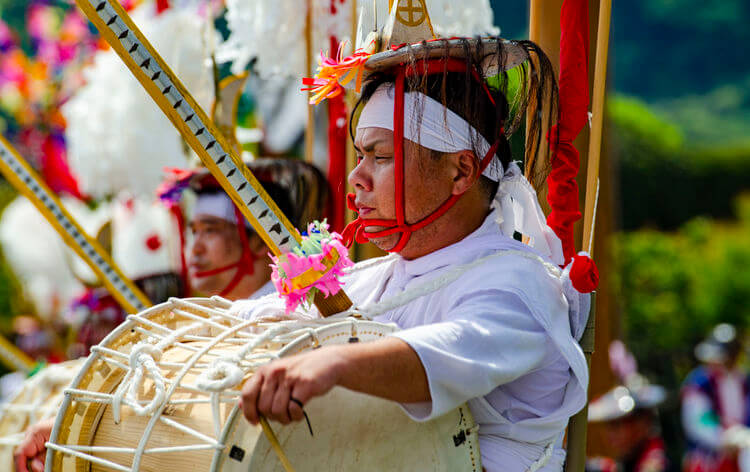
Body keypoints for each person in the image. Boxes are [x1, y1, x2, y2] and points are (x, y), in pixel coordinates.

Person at [233, 8, 592, 471]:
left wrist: (333, 364)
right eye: (359, 155)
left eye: (380, 157)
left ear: (461, 170)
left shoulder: (518, 282)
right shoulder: (372, 279)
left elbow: (452, 349)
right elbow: (251, 319)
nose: (357, 179)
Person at [13, 158, 329, 472]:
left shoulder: (301, 322)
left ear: (259, 241)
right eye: (193, 231)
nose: (195, 247)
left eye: (210, 230)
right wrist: (62, 428)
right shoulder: (199, 325)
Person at [586, 341, 669, 472]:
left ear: (642, 423)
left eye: (616, 426)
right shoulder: (633, 458)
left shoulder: (652, 464)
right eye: (609, 426)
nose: (610, 436)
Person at [682, 323, 750, 472]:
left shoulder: (744, 381)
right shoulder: (700, 383)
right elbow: (698, 420)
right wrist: (724, 437)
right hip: (709, 457)